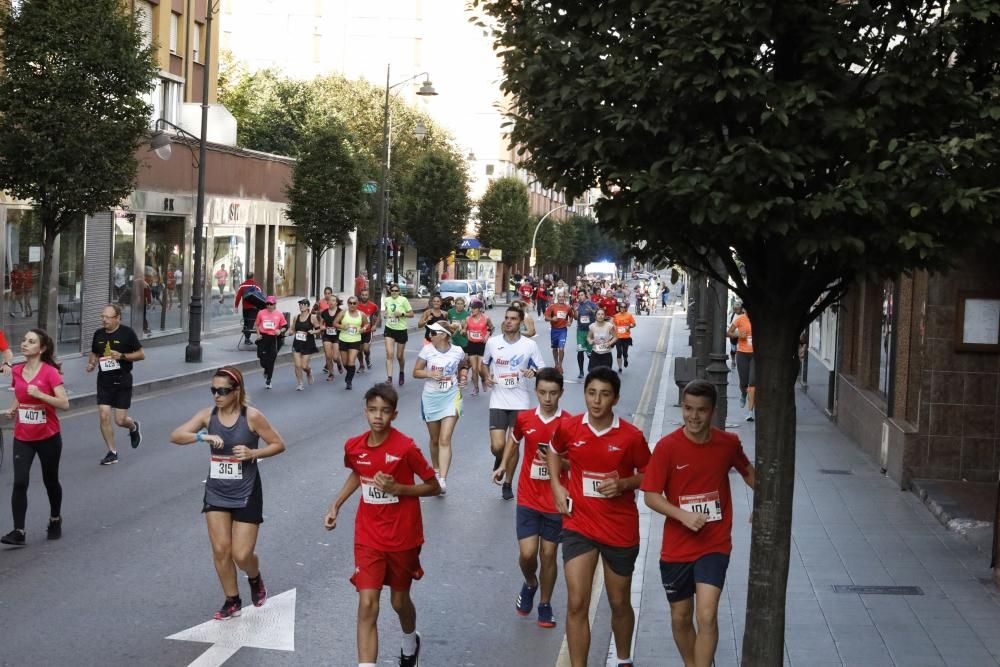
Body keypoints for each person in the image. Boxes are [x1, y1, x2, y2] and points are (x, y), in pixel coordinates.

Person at [324, 384, 440, 667]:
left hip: (403, 536)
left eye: (385, 411)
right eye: (373, 410)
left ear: (394, 415)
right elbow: (358, 473)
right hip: (368, 535)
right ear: (365, 412)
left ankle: (410, 638)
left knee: (399, 602)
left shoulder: (405, 447)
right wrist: (335, 505)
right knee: (367, 603)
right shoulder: (354, 446)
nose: (378, 417)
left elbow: (433, 486)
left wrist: (399, 487)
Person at [641, 380, 755, 667]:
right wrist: (684, 515)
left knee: (706, 615)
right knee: (680, 618)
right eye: (688, 409)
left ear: (713, 411)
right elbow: (651, 497)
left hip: (714, 544)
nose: (693, 417)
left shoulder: (727, 444)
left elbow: (749, 472)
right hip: (677, 548)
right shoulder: (667, 448)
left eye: (701, 411)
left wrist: (763, 505)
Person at [547, 367, 650, 667]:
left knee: (619, 602)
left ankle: (624, 659)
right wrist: (556, 484)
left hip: (619, 529)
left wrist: (623, 484)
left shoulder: (631, 436)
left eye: (604, 394)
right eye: (591, 393)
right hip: (579, 524)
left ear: (615, 398)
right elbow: (554, 450)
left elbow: (650, 475)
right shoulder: (570, 428)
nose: (596, 400)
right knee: (577, 602)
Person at [170, 367, 286, 620]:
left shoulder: (252, 417)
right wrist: (203, 437)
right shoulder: (207, 415)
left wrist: (253, 453)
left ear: (237, 391)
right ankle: (232, 599)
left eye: (222, 391)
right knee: (221, 550)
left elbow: (279, 444)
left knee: (241, 554)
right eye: (213, 390)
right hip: (216, 491)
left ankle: (254, 577)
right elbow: (176, 435)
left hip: (246, 491)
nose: (216, 396)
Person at [492, 367, 572, 628]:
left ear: (561, 392)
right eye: (542, 392)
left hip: (555, 500)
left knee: (548, 555)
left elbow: (576, 463)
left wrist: (557, 464)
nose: (547, 398)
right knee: (528, 555)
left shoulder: (569, 424)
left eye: (553, 393)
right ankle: (530, 583)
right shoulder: (525, 419)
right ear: (536, 391)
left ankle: (545, 604)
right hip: (528, 497)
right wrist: (504, 467)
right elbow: (514, 444)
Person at [1, 329, 69, 546]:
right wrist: (13, 409)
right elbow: (20, 396)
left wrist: (40, 395)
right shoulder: (18, 371)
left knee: (50, 481)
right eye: (24, 340)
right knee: (20, 482)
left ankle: (55, 518)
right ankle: (19, 531)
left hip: (48, 435)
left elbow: (64, 404)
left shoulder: (50, 372)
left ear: (41, 349)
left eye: (31, 342)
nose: (24, 344)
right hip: (23, 435)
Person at [482, 306, 547, 501]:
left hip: (520, 402)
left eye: (512, 319)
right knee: (498, 445)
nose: (508, 321)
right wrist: (486, 377)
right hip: (498, 399)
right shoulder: (493, 343)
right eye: (506, 318)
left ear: (520, 322)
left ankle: (508, 483)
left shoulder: (529, 345)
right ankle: (500, 458)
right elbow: (484, 364)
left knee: (514, 445)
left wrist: (533, 372)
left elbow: (542, 369)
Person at [413, 322, 469, 494]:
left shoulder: (458, 351)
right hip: (431, 397)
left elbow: (464, 365)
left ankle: (442, 480)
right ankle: (436, 471)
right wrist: (430, 373)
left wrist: (464, 376)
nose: (430, 335)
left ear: (444, 335)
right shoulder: (427, 350)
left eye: (434, 332)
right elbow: (416, 372)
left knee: (445, 439)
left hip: (451, 397)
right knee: (435, 439)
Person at [87, 304, 144, 466]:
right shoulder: (98, 334)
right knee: (104, 415)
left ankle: (133, 427)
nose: (103, 320)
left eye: (107, 317)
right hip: (104, 380)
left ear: (117, 318)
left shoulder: (127, 333)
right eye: (102, 316)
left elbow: (141, 354)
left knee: (120, 420)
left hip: (122, 379)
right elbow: (95, 353)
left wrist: (123, 356)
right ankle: (112, 452)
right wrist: (91, 364)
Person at [726, 305, 754, 419]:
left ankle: (750, 412)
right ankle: (743, 394)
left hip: (755, 355)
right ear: (744, 309)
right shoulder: (740, 319)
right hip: (742, 353)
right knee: (744, 383)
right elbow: (728, 333)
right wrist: (738, 334)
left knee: (752, 383)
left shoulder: (758, 319)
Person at [382, 284, 414, 386]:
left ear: (399, 291)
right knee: (389, 354)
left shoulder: (403, 300)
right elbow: (387, 311)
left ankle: (401, 372)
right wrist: (386, 314)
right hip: (389, 328)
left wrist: (402, 314)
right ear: (390, 291)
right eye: (392, 290)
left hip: (401, 330)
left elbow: (412, 314)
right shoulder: (387, 300)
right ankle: (389, 378)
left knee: (399, 356)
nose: (394, 292)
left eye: (396, 290)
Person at [255, 296, 288, 389]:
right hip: (263, 337)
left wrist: (280, 331)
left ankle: (269, 380)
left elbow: (285, 326)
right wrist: (258, 334)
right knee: (262, 359)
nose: (269, 306)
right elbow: (257, 325)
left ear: (275, 305)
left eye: (271, 304)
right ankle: (266, 369)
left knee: (271, 359)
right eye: (267, 304)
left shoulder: (279, 314)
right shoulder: (261, 313)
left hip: (274, 338)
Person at [461, 300, 493, 397]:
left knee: (480, 369)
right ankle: (476, 388)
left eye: (474, 308)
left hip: (481, 345)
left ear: (479, 309)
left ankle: (483, 379)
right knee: (474, 369)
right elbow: (464, 330)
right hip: (471, 344)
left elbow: (491, 328)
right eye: (471, 308)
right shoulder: (468, 319)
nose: (472, 310)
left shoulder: (486, 318)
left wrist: (487, 335)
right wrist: (463, 331)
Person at [335, 296, 365, 390]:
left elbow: (367, 323)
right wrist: (343, 327)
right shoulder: (343, 313)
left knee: (351, 361)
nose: (352, 305)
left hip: (355, 340)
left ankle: (349, 381)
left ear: (357, 304)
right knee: (345, 363)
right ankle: (350, 372)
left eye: (354, 303)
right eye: (350, 303)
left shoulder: (361, 314)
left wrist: (363, 328)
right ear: (348, 304)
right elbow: (334, 323)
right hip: (343, 339)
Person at [291, 298, 320, 391]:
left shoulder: (312, 317)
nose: (301, 306)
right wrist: (287, 332)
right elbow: (292, 329)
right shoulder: (296, 317)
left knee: (304, 366)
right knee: (297, 365)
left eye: (303, 304)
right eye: (300, 304)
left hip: (308, 344)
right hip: (297, 343)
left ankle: (309, 372)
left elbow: (319, 329)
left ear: (308, 306)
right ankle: (300, 383)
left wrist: (314, 331)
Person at [544, 292, 574, 374]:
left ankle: (560, 365)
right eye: (559, 297)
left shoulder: (568, 307)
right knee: (554, 348)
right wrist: (551, 319)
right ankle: (556, 364)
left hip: (563, 330)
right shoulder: (552, 307)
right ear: (557, 297)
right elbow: (546, 318)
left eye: (563, 297)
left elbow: (571, 316)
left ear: (565, 298)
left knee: (561, 348)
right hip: (554, 330)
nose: (561, 298)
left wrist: (570, 322)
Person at [573, 291, 598, 379]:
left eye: (582, 295)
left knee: (590, 353)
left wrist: (591, 311)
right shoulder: (577, 305)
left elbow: (598, 314)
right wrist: (575, 310)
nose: (580, 297)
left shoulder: (592, 304)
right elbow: (576, 318)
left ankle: (591, 369)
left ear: (585, 296)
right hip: (580, 332)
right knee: (580, 351)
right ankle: (581, 372)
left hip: (590, 332)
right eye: (579, 295)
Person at [233, 273, 263, 345]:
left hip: (245, 308)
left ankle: (246, 338)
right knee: (251, 322)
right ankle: (249, 338)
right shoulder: (257, 286)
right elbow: (260, 297)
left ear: (246, 277)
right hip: (254, 308)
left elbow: (238, 297)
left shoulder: (242, 286)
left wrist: (236, 306)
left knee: (246, 322)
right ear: (253, 277)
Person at [320, 294, 345, 378]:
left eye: (333, 300)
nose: (331, 302)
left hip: (337, 336)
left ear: (337, 303)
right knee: (328, 356)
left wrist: (340, 328)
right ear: (327, 302)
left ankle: (338, 363)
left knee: (335, 357)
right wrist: (322, 327)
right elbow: (321, 324)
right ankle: (331, 373)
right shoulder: (324, 312)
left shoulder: (340, 312)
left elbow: (344, 325)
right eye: (330, 300)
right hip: (327, 335)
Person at [356, 288, 380, 372]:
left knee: (366, 349)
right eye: (363, 295)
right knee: (358, 350)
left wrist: (375, 325)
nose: (364, 297)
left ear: (368, 295)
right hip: (358, 331)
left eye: (366, 295)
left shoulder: (373, 306)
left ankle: (367, 358)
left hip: (368, 331)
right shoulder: (356, 306)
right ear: (360, 296)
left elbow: (378, 315)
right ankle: (361, 365)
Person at [612, 301, 637, 372]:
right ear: (619, 308)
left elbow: (634, 324)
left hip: (626, 337)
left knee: (625, 352)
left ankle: (625, 359)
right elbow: (613, 325)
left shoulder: (629, 315)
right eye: (621, 307)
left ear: (626, 308)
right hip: (618, 337)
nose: (622, 308)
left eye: (624, 307)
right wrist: (614, 327)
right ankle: (620, 367)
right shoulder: (616, 316)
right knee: (619, 352)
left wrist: (629, 326)